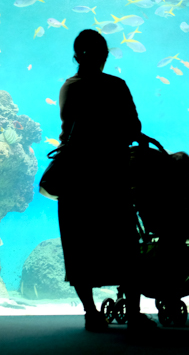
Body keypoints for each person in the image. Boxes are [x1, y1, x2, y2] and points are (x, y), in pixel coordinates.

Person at [57, 29, 154, 332]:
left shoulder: (69, 88)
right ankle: (135, 315)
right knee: (125, 244)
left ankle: (91, 314)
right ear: (106, 55)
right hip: (112, 178)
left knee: (78, 244)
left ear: (76, 55)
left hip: (76, 179)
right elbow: (133, 127)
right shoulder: (117, 86)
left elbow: (68, 127)